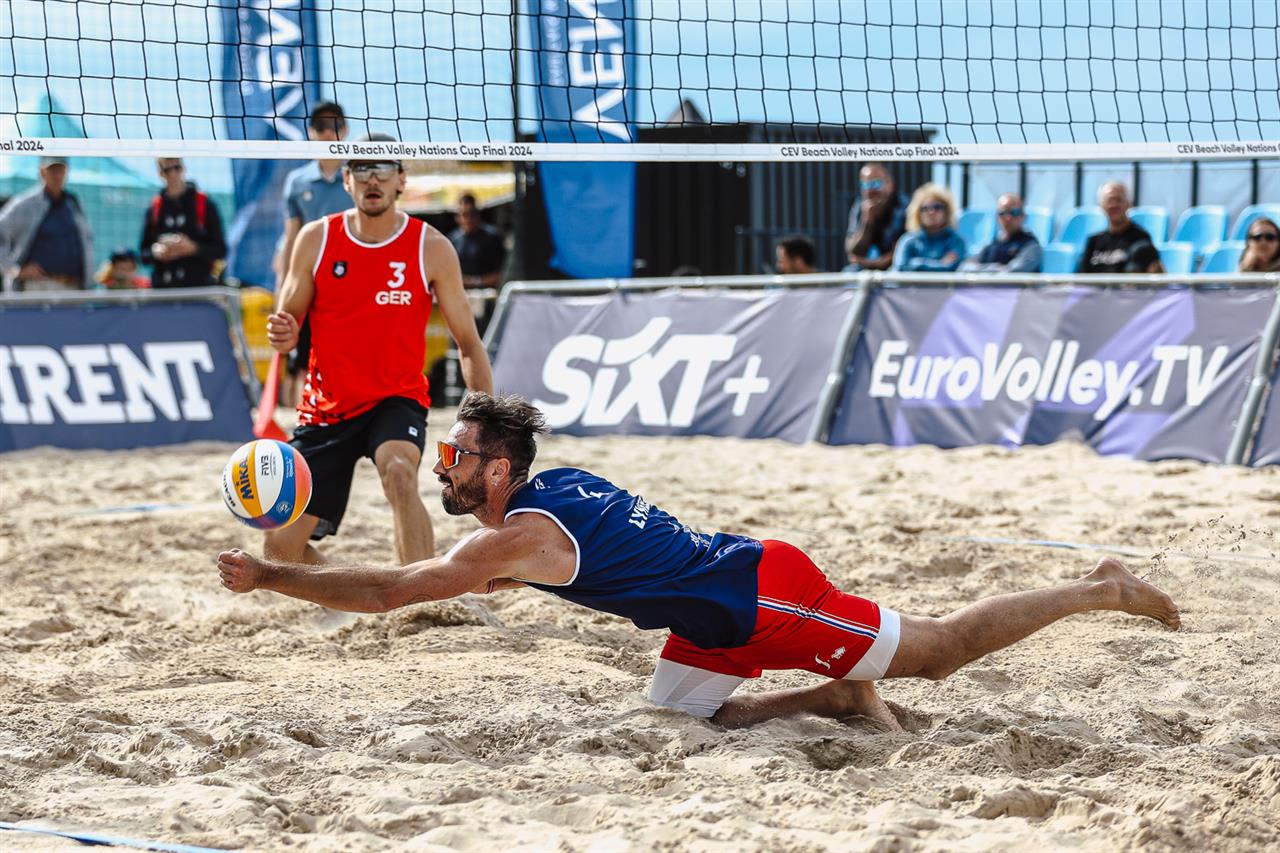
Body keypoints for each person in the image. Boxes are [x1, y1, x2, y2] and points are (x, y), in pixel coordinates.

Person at [217, 393, 1181, 729]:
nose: (444, 466)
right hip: (707, 616)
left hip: (763, 596)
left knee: (938, 651)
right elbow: (556, 566)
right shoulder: (555, 492)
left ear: (498, 470)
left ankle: (1098, 585)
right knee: (690, 719)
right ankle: (839, 696)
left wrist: (274, 573)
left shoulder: (517, 533)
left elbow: (395, 589)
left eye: (455, 456)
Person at [264, 136, 494, 566]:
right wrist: (283, 333)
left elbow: (468, 342)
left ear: (401, 180)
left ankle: (421, 592)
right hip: (327, 407)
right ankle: (362, 594)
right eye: (362, 169)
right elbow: (288, 324)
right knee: (279, 552)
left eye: (384, 169)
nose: (373, 179)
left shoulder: (430, 247)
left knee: (400, 474)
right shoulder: (316, 239)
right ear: (346, 180)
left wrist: (484, 418)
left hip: (395, 398)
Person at [278, 102, 353, 405]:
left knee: (352, 351)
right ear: (311, 132)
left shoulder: (359, 175)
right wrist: (283, 288)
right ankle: (304, 414)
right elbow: (291, 240)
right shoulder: (298, 181)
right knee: (304, 356)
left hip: (354, 279)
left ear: (344, 130)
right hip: (311, 280)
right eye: (320, 127)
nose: (327, 133)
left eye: (333, 125)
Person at [0, 156, 94, 292]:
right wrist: (14, 270)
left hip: (73, 287)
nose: (57, 175)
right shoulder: (26, 204)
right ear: (42, 172)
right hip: (39, 287)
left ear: (67, 172)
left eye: (60, 170)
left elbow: (87, 242)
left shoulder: (73, 203)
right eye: (52, 170)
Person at [139, 157, 228, 288]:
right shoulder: (154, 207)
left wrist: (194, 248)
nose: (173, 174)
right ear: (160, 174)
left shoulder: (204, 203)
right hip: (163, 288)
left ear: (183, 169)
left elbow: (221, 250)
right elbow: (143, 254)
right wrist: (156, 251)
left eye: (177, 168)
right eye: (167, 170)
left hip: (198, 288)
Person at [1079, 182, 1163, 274]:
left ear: (1128, 203)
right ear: (1101, 206)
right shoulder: (1093, 241)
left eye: (1118, 200)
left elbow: (1155, 275)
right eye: (1109, 200)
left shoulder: (1141, 238)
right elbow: (1082, 278)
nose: (1114, 205)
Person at [844, 163, 909, 271]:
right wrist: (867, 221)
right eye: (864, 185)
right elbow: (854, 251)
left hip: (896, 267)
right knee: (848, 273)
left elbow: (905, 249)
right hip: (863, 267)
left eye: (875, 184)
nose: (869, 191)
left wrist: (876, 264)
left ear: (890, 183)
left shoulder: (905, 206)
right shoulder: (859, 206)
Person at [892, 184, 967, 272]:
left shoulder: (956, 241)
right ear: (917, 213)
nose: (931, 212)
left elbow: (953, 268)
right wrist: (940, 264)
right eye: (925, 208)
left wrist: (914, 263)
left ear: (947, 212)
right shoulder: (908, 241)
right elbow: (900, 268)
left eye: (937, 207)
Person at [959, 193, 1042, 273]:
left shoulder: (1031, 246)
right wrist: (995, 268)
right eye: (1003, 213)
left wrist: (984, 270)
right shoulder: (992, 245)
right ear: (997, 217)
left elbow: (1012, 272)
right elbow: (965, 267)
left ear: (1023, 216)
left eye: (1014, 212)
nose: (1008, 218)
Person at [449, 193, 506, 290]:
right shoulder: (453, 240)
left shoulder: (493, 237)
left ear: (478, 214)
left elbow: (501, 272)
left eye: (472, 214)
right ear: (457, 217)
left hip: (489, 293)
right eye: (465, 215)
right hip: (461, 292)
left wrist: (476, 282)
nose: (469, 219)